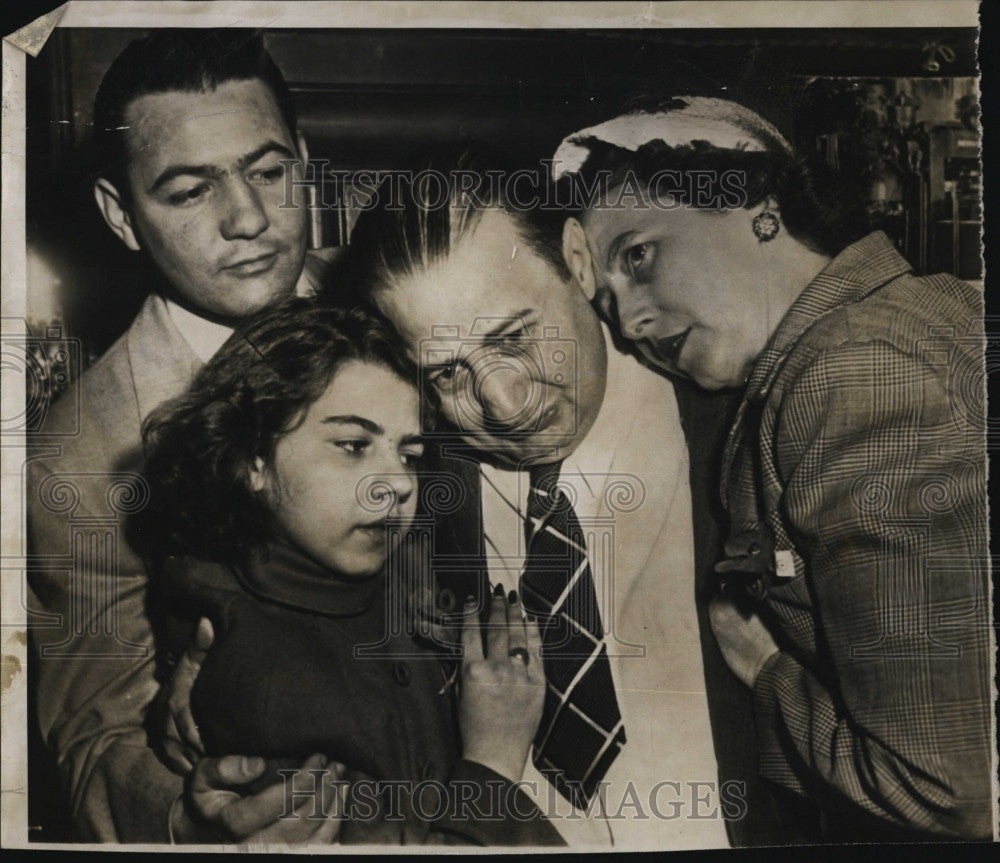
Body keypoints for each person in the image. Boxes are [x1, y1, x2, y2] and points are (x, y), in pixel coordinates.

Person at [552, 95, 994, 841]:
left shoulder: (851, 375)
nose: (629, 324)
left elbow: (950, 788)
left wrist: (764, 671)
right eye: (608, 302)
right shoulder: (913, 312)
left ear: (755, 202)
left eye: (639, 256)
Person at [320, 148, 730, 850]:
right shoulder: (408, 493)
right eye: (449, 373)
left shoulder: (736, 429)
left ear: (577, 259)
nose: (504, 403)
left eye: (515, 337)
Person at [27, 30, 341, 842]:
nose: (248, 219)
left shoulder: (398, 305)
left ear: (303, 159)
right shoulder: (78, 455)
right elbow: (96, 734)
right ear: (119, 215)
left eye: (268, 171)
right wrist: (192, 813)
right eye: (190, 191)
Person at [139, 298, 559, 845]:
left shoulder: (369, 555)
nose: (400, 482)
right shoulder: (259, 686)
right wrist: (493, 761)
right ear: (251, 462)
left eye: (408, 454)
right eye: (353, 446)